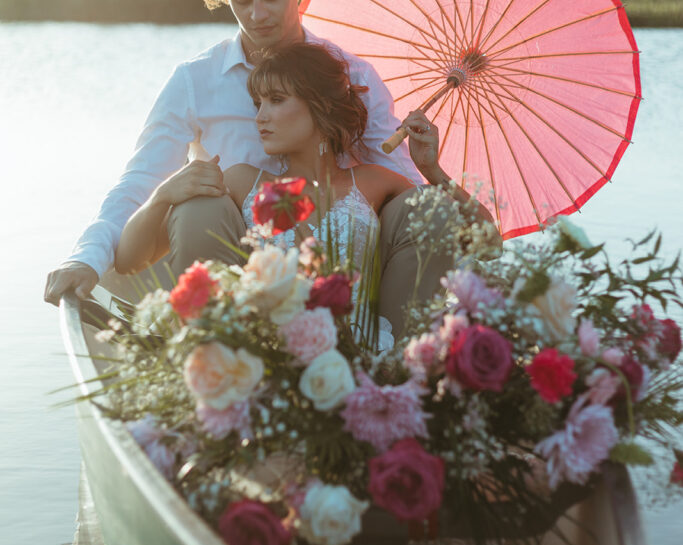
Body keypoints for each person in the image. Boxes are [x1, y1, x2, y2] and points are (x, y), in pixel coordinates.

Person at [44, 0, 422, 307]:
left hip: (339, 269)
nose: (258, 14)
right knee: (199, 206)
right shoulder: (196, 80)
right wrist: (84, 258)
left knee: (415, 209)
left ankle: (389, 341)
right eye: (242, 0)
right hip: (228, 261)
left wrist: (435, 187)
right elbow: (137, 182)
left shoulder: (353, 75)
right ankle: (219, 340)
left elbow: (401, 181)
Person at [114, 43, 494, 338]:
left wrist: (432, 170)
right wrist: (163, 194)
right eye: (258, 102)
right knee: (197, 207)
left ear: (321, 107)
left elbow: (488, 242)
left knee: (427, 204)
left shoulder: (375, 182)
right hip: (263, 365)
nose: (260, 116)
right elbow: (130, 259)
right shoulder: (243, 181)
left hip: (363, 364)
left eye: (276, 101)